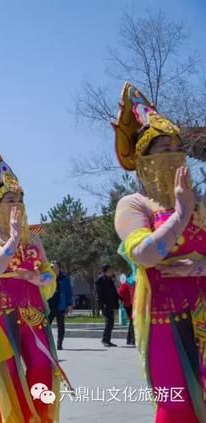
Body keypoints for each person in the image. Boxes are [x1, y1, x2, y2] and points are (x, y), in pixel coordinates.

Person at [112, 83, 206, 421]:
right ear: (143, 159)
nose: (172, 152)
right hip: (165, 317)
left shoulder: (201, 203)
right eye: (162, 146)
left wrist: (201, 267)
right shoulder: (134, 204)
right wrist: (180, 216)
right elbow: (144, 255)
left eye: (177, 146)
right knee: (175, 405)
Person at [0, 149, 70, 422]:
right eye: (9, 199)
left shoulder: (36, 241)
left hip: (33, 311)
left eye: (19, 198)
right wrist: (14, 238)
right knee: (8, 372)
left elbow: (49, 277)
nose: (16, 203)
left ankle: (40, 418)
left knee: (43, 366)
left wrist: (38, 278)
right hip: (1, 312)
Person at [47, 261, 74, 350]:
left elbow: (68, 292)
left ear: (59, 268)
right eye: (52, 268)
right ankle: (47, 344)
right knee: (46, 326)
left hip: (60, 306)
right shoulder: (47, 277)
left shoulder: (64, 279)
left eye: (55, 268)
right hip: (49, 306)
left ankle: (59, 344)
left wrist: (69, 304)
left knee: (61, 327)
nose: (54, 270)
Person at [95, 264, 118, 347]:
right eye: (110, 270)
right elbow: (99, 294)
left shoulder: (110, 280)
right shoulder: (100, 280)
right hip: (105, 304)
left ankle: (108, 340)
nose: (112, 271)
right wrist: (102, 305)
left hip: (111, 304)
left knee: (111, 323)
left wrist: (116, 304)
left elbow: (114, 293)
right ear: (106, 271)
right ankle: (105, 339)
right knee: (108, 322)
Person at [117, 274, 135, 346]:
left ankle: (130, 339)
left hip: (128, 305)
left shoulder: (125, 285)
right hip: (130, 305)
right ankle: (132, 339)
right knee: (133, 322)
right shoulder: (128, 285)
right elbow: (120, 293)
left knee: (132, 322)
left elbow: (120, 294)